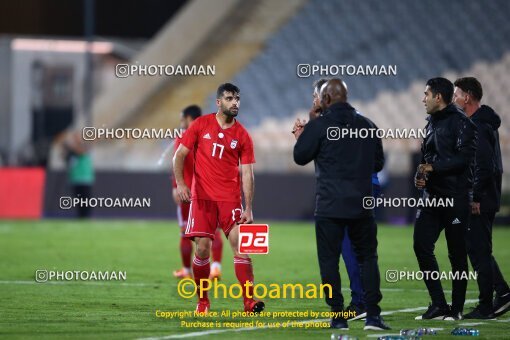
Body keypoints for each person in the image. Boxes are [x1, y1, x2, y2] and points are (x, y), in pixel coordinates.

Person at [293, 78, 389, 331]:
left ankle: (338, 315)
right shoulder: (369, 125)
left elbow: (300, 156)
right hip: (361, 205)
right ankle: (373, 317)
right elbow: (378, 164)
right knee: (368, 258)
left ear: (325, 100)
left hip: (330, 205)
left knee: (329, 260)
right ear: (345, 97)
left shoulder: (319, 126)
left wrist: (311, 127)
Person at [173, 83, 264, 314]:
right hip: (202, 199)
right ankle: (203, 302)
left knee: (241, 248)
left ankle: (249, 302)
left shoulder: (243, 135)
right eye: (230, 98)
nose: (235, 103)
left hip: (230, 201)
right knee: (202, 249)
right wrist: (182, 184)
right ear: (218, 102)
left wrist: (249, 207)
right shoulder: (201, 124)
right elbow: (179, 156)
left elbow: (247, 173)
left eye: (237, 99)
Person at [414, 77, 477, 321]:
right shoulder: (430, 123)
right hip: (432, 197)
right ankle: (439, 304)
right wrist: (420, 176)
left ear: (438, 97)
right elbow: (425, 159)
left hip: (455, 197)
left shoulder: (462, 123)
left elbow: (463, 161)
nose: (423, 99)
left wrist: (433, 168)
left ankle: (457, 309)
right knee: (421, 245)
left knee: (457, 253)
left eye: (426, 94)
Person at [309, 78, 368, 320]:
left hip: (352, 190)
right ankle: (361, 299)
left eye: (316, 95)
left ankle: (361, 301)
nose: (313, 100)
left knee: (348, 248)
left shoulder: (340, 122)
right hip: (353, 189)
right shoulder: (348, 119)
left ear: (326, 97)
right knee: (349, 248)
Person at [453, 77, 510, 319]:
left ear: (467, 97)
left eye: (456, 94)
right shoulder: (483, 123)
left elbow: (484, 166)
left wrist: (474, 197)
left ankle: (488, 304)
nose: (454, 98)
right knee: (478, 249)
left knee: (478, 250)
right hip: (484, 196)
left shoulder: (477, 125)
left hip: (480, 198)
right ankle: (503, 294)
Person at [171, 105, 223, 280]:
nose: (181, 123)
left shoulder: (183, 136)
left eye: (182, 119)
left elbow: (177, 161)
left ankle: (187, 271)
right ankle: (216, 268)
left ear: (187, 118)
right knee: (213, 231)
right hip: (209, 191)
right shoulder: (213, 134)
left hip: (186, 192)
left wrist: (176, 186)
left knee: (186, 232)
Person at [64, 130, 94, 218]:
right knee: (78, 200)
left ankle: (86, 216)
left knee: (85, 200)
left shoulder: (84, 146)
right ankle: (81, 216)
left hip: (85, 178)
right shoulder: (71, 152)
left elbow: (81, 151)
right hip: (75, 178)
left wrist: (70, 146)